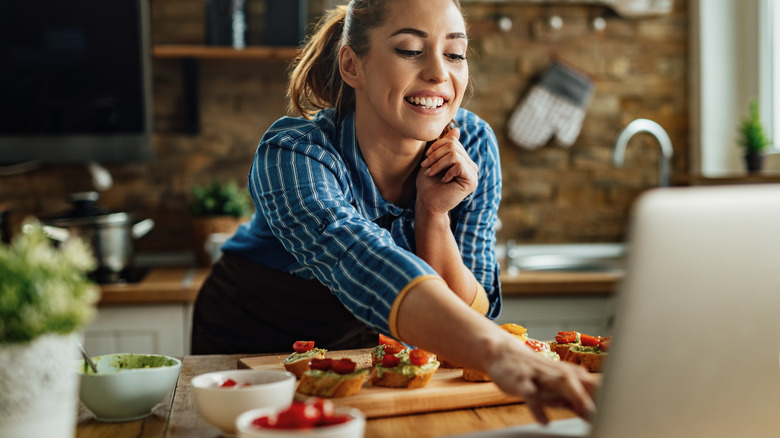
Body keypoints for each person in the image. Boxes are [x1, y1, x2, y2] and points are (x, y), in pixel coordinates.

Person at [191, 0, 599, 423]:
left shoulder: (473, 144)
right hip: (248, 341)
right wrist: (499, 350)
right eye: (410, 50)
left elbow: (471, 308)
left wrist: (433, 216)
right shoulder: (294, 153)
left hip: (368, 343)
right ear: (352, 65)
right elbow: (361, 262)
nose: (440, 73)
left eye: (455, 54)